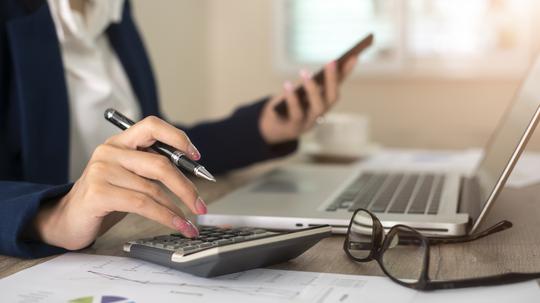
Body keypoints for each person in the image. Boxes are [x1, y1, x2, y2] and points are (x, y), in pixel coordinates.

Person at [0, 0, 357, 258]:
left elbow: (157, 146)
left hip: (122, 240)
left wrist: (264, 127)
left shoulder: (115, 13)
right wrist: (51, 215)